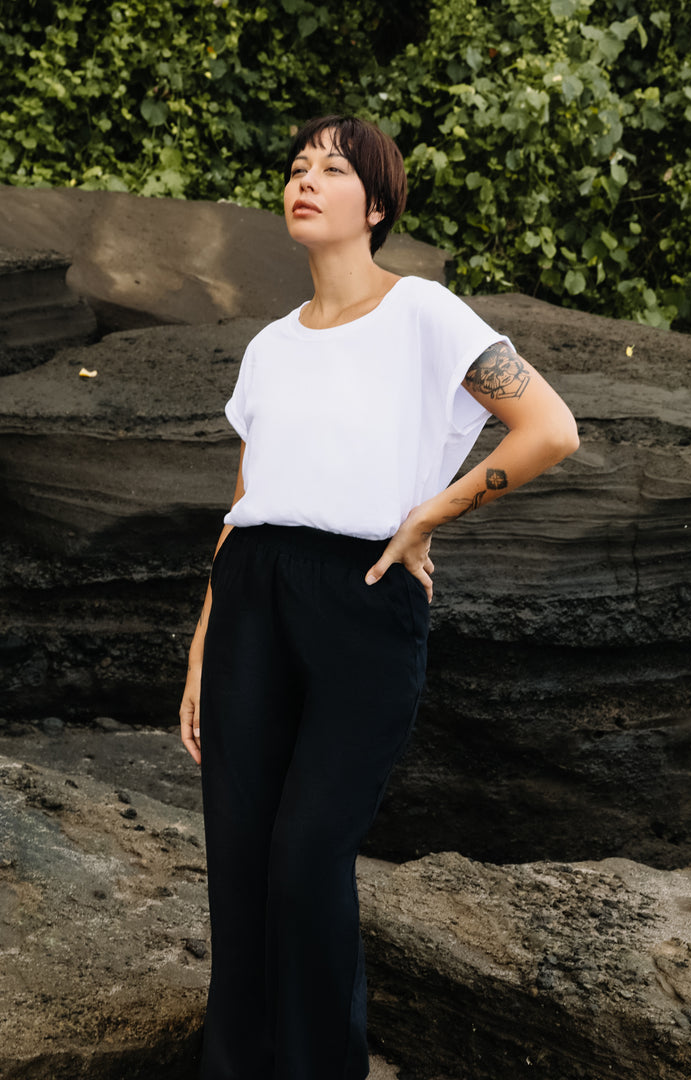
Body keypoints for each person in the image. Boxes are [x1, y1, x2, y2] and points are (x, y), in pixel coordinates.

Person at [179, 114, 579, 1080]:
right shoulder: (270, 346)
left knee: (309, 854)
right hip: (249, 596)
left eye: (333, 168)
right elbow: (245, 501)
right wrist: (200, 648)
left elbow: (551, 428)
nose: (305, 180)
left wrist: (428, 516)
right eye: (295, 167)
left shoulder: (427, 313)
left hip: (364, 595)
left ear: (379, 205)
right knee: (238, 864)